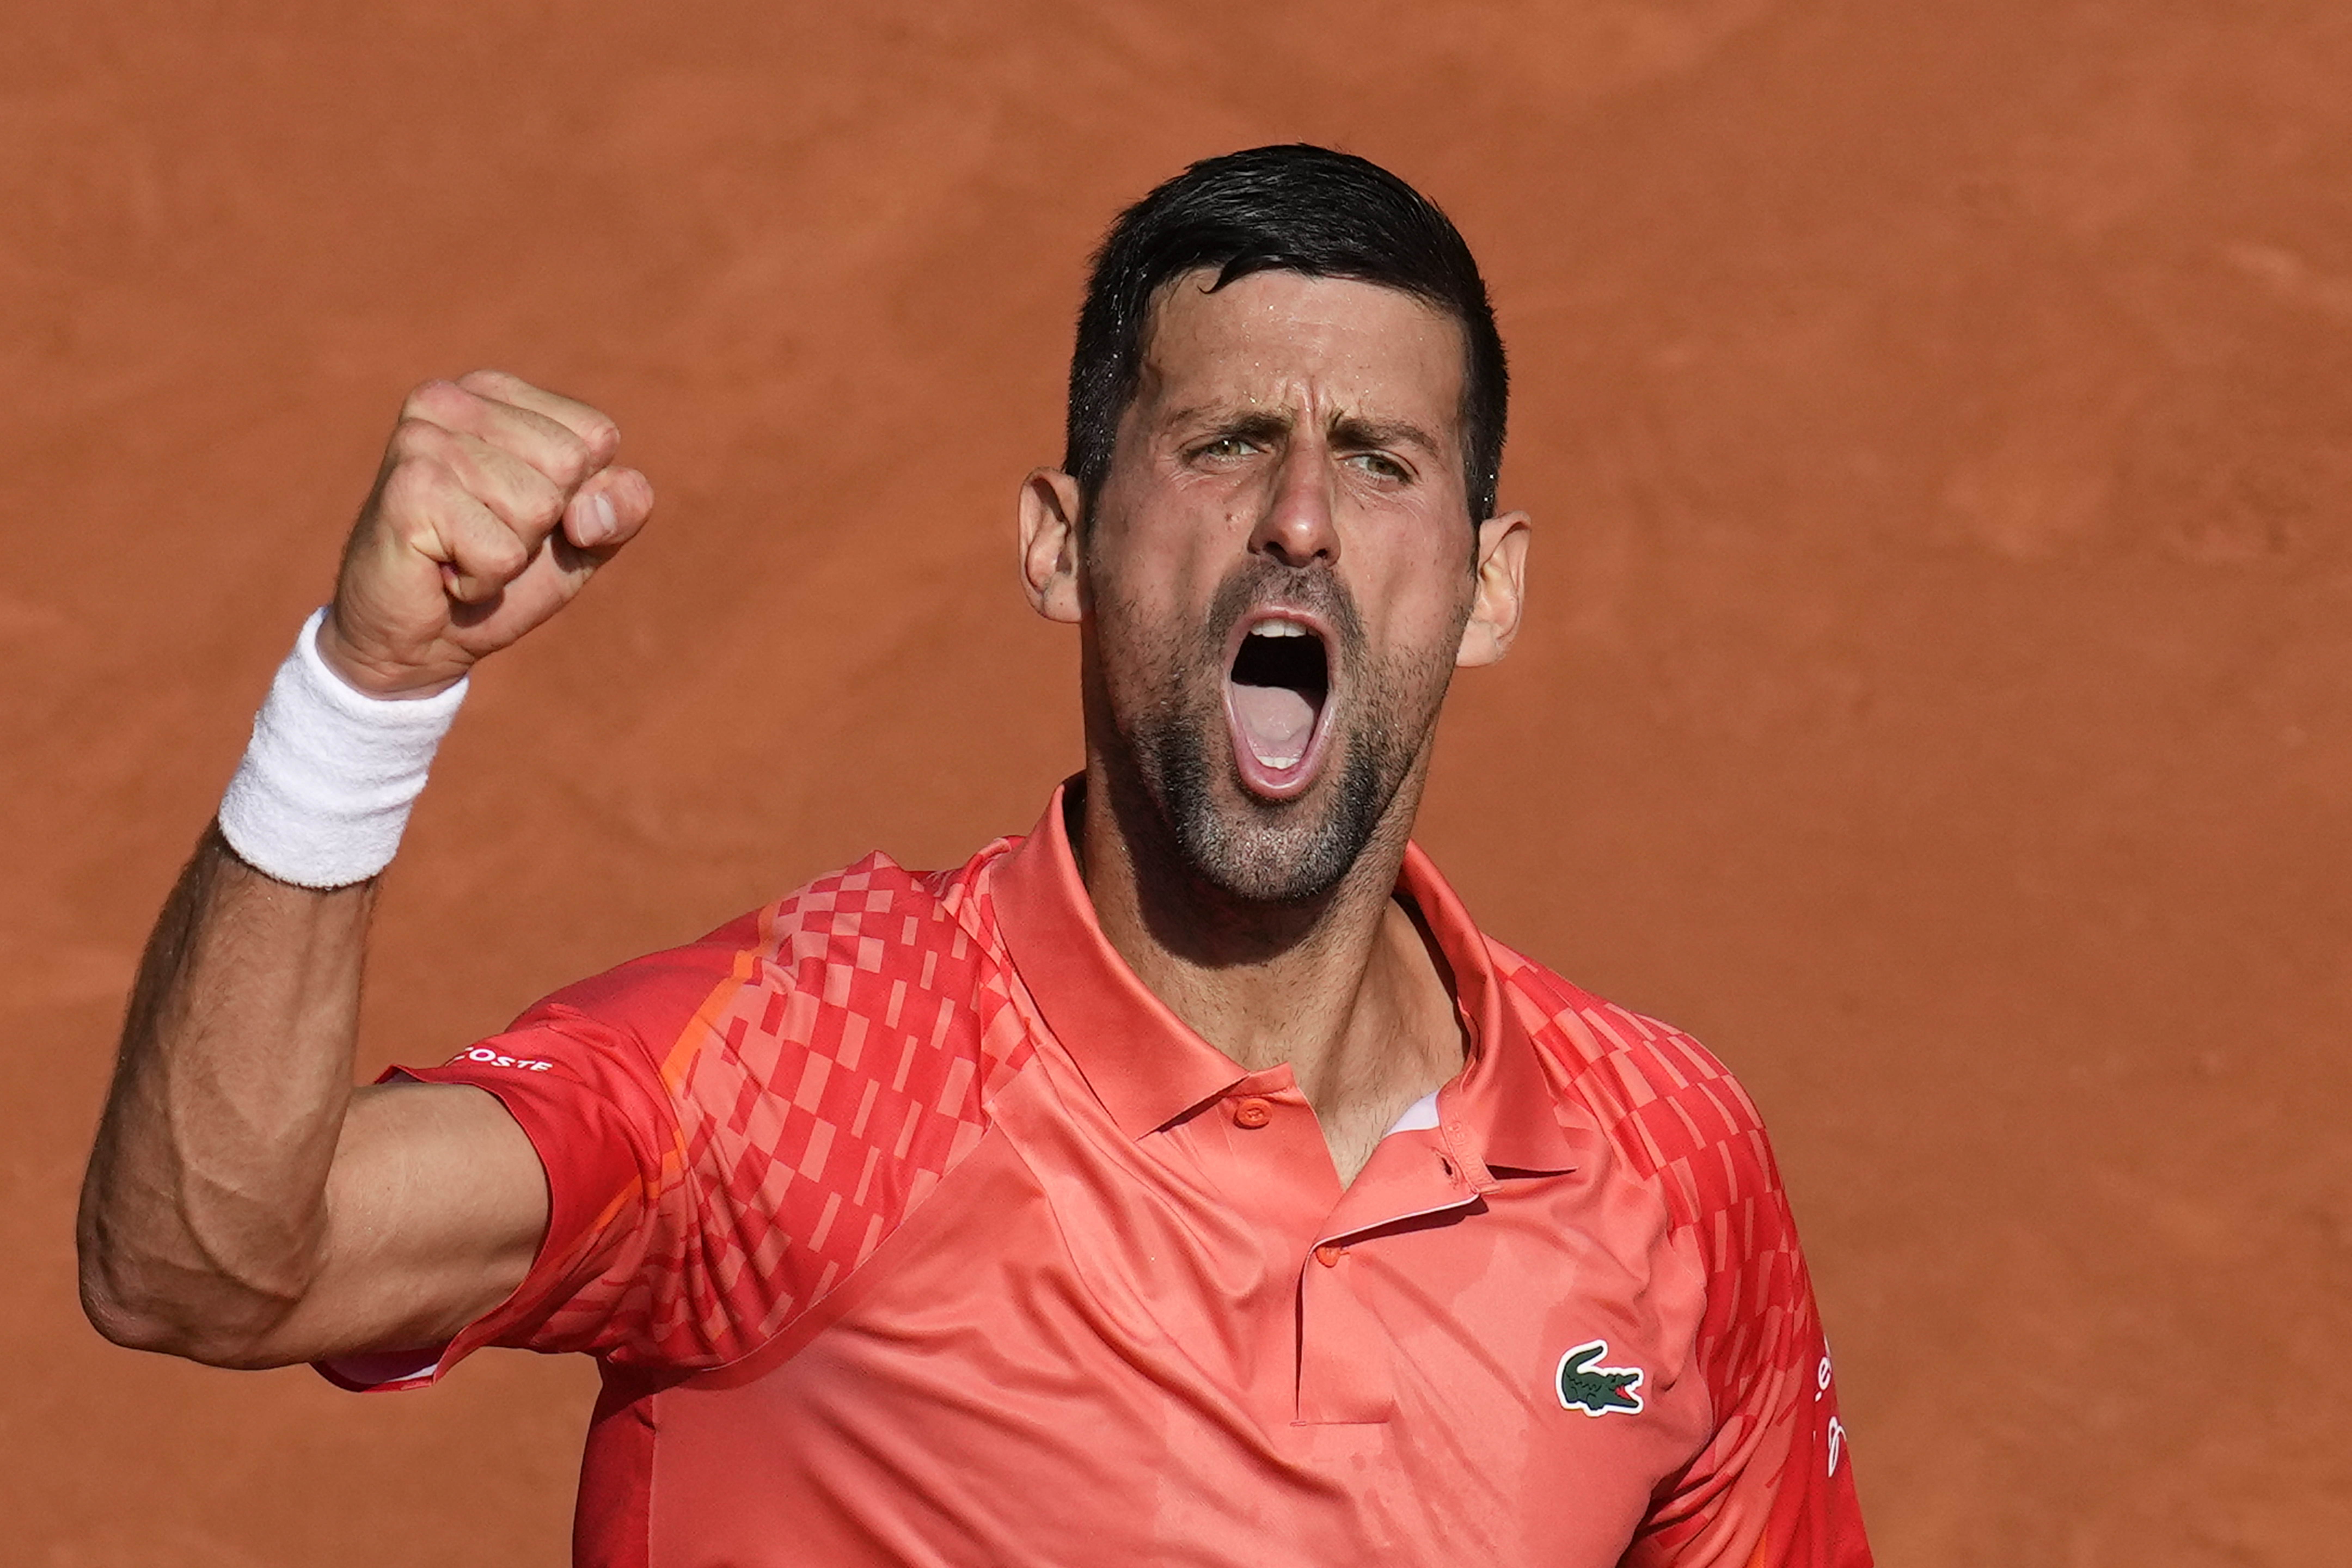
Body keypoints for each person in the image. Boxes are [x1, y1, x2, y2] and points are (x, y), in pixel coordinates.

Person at [78, 145, 1871, 1566]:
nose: (1303, 518)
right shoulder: (812, 1065)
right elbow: (208, 1263)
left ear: (1485, 589)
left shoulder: (1666, 1168)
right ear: (1058, 546)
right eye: (1228, 440)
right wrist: (365, 696)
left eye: (1384, 460)